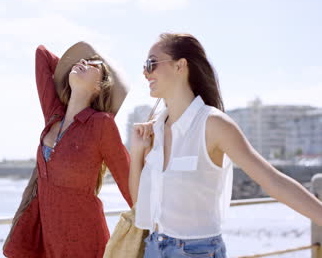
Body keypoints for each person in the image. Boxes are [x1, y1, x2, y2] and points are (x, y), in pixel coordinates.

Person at [129, 33, 322, 258]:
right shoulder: (155, 130)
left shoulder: (213, 124)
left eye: (151, 64)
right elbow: (140, 206)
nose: (145, 72)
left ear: (180, 65)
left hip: (197, 252)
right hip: (153, 248)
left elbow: (272, 180)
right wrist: (137, 153)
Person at [3, 42, 133, 258]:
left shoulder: (101, 124)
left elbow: (129, 183)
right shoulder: (54, 114)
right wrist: (72, 67)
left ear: (99, 87)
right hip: (49, 246)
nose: (83, 62)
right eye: (81, 60)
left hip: (86, 244)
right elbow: (41, 55)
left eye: (94, 65)